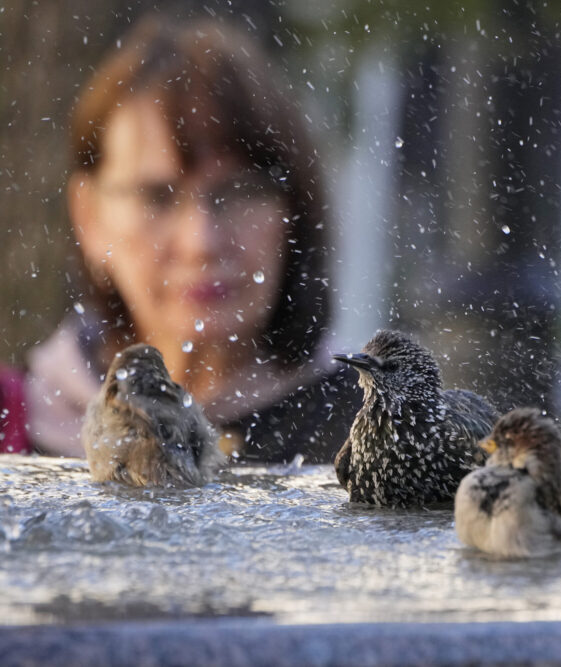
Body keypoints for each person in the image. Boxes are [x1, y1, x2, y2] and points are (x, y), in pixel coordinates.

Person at [18, 15, 360, 463]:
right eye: (156, 197)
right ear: (89, 217)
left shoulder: (374, 436)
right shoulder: (14, 426)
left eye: (239, 193)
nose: (202, 240)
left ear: (292, 212)